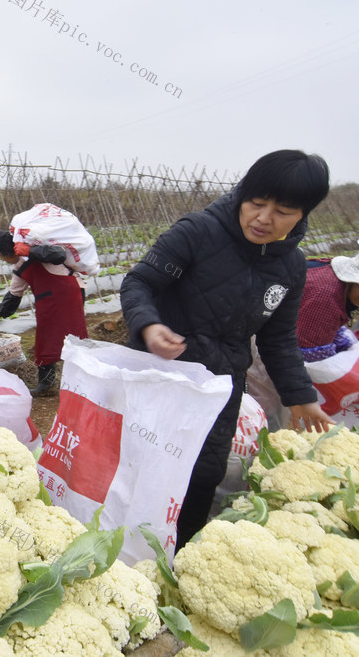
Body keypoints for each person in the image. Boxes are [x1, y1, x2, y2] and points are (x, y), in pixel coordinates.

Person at [120, 149, 335, 549]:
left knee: (203, 474)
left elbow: (278, 338)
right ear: (243, 194)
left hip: (221, 385)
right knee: (140, 463)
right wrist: (149, 325)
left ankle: (178, 560)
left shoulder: (291, 268)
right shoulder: (198, 232)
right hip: (161, 373)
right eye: (256, 203)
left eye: (283, 210)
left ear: (303, 214)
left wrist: (301, 396)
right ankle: (119, 550)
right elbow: (140, 283)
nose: (264, 218)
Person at [247, 242, 359, 427]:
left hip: (274, 335)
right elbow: (303, 352)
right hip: (268, 346)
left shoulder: (333, 277)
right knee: (269, 411)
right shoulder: (325, 298)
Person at [0, 231, 89, 395]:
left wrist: (28, 251)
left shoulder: (36, 251)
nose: (2, 259)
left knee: (73, 336)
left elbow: (58, 255)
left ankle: (82, 380)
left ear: (4, 253)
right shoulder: (20, 267)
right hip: (48, 300)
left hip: (68, 294)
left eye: (0, 255)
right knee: (46, 338)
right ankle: (48, 384)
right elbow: (14, 295)